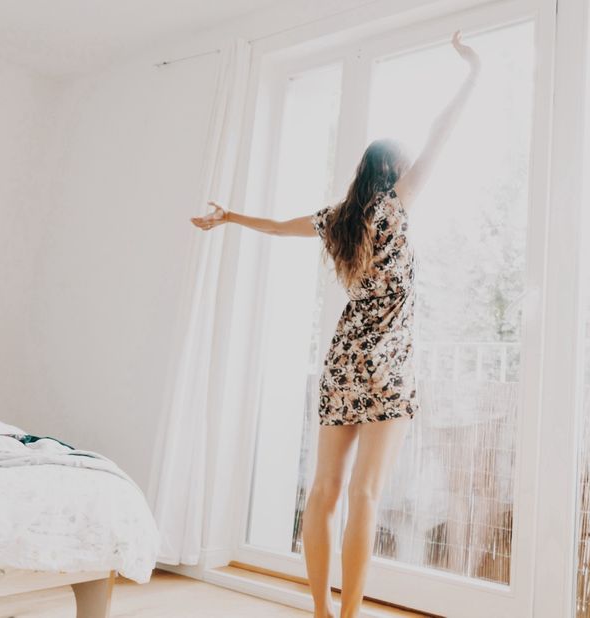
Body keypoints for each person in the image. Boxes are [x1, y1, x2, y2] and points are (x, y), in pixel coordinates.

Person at [191, 30, 480, 618]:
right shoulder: (395, 205)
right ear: (394, 170)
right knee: (365, 495)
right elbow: (440, 135)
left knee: (323, 492)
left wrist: (227, 218)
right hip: (388, 361)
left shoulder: (336, 219)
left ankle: (321, 611)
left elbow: (273, 227)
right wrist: (471, 74)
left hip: (344, 357)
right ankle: (349, 616)